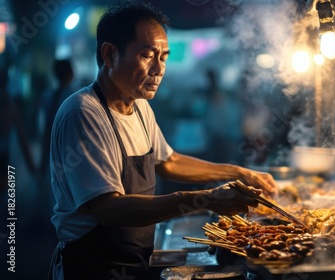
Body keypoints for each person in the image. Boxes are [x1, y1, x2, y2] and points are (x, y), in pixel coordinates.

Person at [48, 2, 278, 279]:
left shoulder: (140, 106)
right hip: (91, 266)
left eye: (164, 57)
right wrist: (204, 199)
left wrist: (237, 173)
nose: (159, 69)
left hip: (134, 260)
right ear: (110, 54)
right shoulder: (83, 113)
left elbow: (168, 161)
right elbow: (109, 209)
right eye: (147, 55)